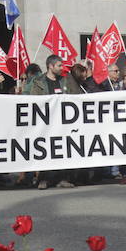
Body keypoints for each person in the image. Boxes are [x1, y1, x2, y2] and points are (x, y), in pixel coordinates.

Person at [25, 55, 77, 190]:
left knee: (63, 149)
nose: (62, 68)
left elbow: (75, 96)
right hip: (45, 122)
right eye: (59, 65)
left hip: (63, 122)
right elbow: (28, 98)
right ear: (50, 66)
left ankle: (63, 178)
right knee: (45, 150)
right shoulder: (38, 81)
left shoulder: (65, 80)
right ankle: (43, 179)